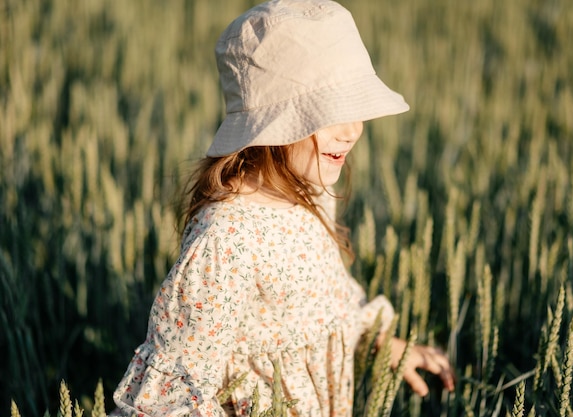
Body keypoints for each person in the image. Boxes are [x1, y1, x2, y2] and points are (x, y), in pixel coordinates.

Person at [112, 0, 455, 415]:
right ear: (271, 125)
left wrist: (380, 344)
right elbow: (173, 391)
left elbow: (321, 311)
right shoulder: (226, 239)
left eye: (356, 109)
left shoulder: (311, 192)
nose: (353, 130)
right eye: (331, 112)